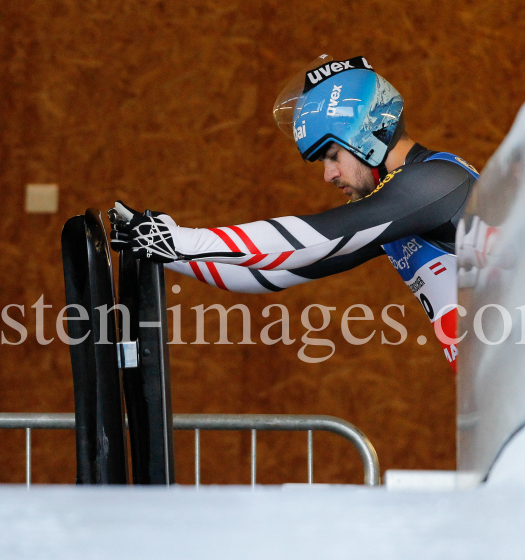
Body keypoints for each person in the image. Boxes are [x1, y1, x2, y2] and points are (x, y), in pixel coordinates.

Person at [110, 55, 479, 370]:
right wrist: (165, 247)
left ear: (373, 132)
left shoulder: (435, 183)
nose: (328, 174)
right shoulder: (402, 213)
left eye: (333, 156)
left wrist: (179, 241)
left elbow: (312, 238)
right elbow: (268, 273)